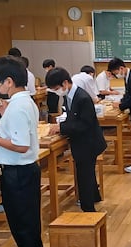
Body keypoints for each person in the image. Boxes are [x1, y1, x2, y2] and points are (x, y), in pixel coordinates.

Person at [0, 56, 46, 247]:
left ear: (9, 81)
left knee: (24, 225)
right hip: (21, 171)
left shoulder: (18, 105)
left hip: (19, 172)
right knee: (24, 224)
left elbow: (21, 145)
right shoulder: (24, 102)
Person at [46, 67, 107, 212]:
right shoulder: (70, 95)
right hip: (83, 141)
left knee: (83, 175)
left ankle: (88, 209)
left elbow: (84, 124)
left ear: (65, 83)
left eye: (56, 88)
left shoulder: (82, 97)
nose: (57, 92)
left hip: (88, 142)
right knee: (87, 172)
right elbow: (72, 117)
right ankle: (94, 196)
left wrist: (62, 128)